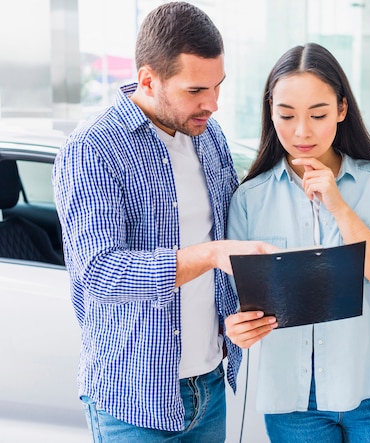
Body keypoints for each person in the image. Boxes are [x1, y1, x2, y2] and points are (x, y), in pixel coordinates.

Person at [52, 2, 276, 441]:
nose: (212, 103)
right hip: (132, 398)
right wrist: (210, 256)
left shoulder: (207, 134)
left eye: (218, 86)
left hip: (209, 385)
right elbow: (99, 273)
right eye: (196, 90)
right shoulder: (92, 149)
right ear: (149, 79)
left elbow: (228, 238)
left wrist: (231, 316)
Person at [225, 43, 370, 442]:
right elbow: (239, 303)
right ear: (270, 112)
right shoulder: (249, 199)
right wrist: (238, 329)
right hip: (293, 402)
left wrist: (338, 205)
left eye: (318, 115)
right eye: (286, 115)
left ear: (342, 110)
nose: (302, 131)